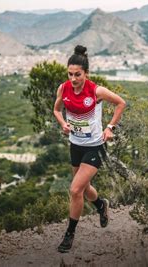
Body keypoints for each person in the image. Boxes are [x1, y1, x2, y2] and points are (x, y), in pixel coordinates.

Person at [53, 45, 126, 253]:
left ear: (86, 73)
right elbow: (57, 110)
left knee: (75, 189)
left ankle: (69, 234)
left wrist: (110, 127)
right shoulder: (63, 88)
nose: (73, 78)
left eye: (78, 74)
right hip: (75, 145)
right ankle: (101, 205)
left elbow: (121, 103)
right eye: (70, 74)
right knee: (84, 189)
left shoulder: (96, 91)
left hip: (95, 147)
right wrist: (63, 124)